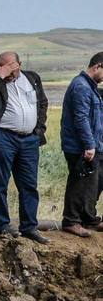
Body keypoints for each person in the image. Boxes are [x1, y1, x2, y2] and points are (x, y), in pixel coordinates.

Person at [0, 52, 49, 243]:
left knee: (28, 184)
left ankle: (29, 227)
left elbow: (42, 103)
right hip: (3, 137)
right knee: (0, 183)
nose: (8, 70)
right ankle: (2, 225)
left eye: (11, 66)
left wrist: (39, 129)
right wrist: (0, 76)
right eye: (3, 66)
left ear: (19, 64)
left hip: (29, 139)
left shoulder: (32, 78)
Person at [60, 53, 103, 237]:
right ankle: (71, 220)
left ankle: (89, 218)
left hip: (92, 144)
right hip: (80, 146)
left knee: (91, 183)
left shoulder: (91, 87)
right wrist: (89, 145)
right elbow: (81, 118)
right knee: (80, 182)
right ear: (98, 66)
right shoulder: (81, 87)